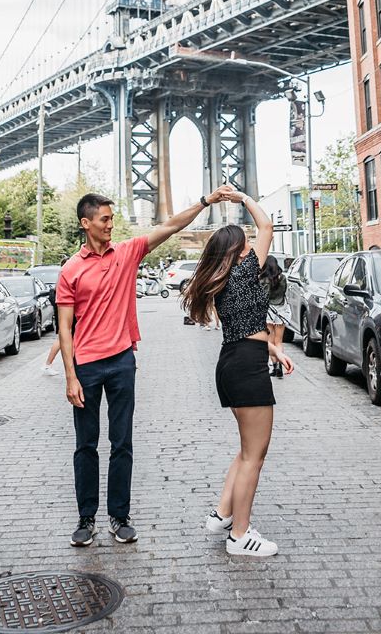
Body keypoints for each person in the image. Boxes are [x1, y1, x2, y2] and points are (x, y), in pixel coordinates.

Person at [57, 185, 239, 550]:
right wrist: (70, 376)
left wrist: (205, 201)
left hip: (123, 361)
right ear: (86, 223)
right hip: (87, 367)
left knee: (122, 443)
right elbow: (64, 327)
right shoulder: (71, 270)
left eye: (111, 219)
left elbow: (170, 226)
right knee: (85, 446)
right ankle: (85, 519)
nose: (111, 225)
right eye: (105, 220)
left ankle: (119, 517)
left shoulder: (127, 253)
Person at [182, 193, 293, 558]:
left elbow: (246, 326)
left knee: (246, 451)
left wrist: (274, 349)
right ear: (235, 253)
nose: (250, 251)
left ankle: (222, 515)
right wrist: (243, 197)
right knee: (254, 457)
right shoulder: (244, 272)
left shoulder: (225, 281)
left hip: (233, 360)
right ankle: (240, 536)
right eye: (245, 247)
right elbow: (267, 225)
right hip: (246, 366)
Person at [261, 255, 288, 379]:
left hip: (269, 312)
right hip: (281, 311)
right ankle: (281, 366)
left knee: (270, 340)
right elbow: (285, 293)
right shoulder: (282, 278)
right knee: (279, 341)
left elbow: (264, 297)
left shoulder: (264, 280)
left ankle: (275, 366)